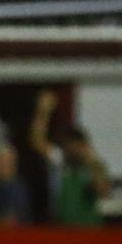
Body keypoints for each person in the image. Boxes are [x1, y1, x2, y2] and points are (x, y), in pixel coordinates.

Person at [29, 90, 110, 226]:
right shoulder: (61, 160)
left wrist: (92, 163)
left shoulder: (95, 165)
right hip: (63, 229)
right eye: (69, 147)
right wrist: (43, 112)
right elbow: (37, 141)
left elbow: (102, 190)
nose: (73, 151)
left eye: (77, 147)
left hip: (90, 231)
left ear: (84, 146)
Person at [0, 143, 31, 225]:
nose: (5, 165)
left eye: (8, 162)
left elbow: (14, 219)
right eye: (1, 162)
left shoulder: (19, 188)